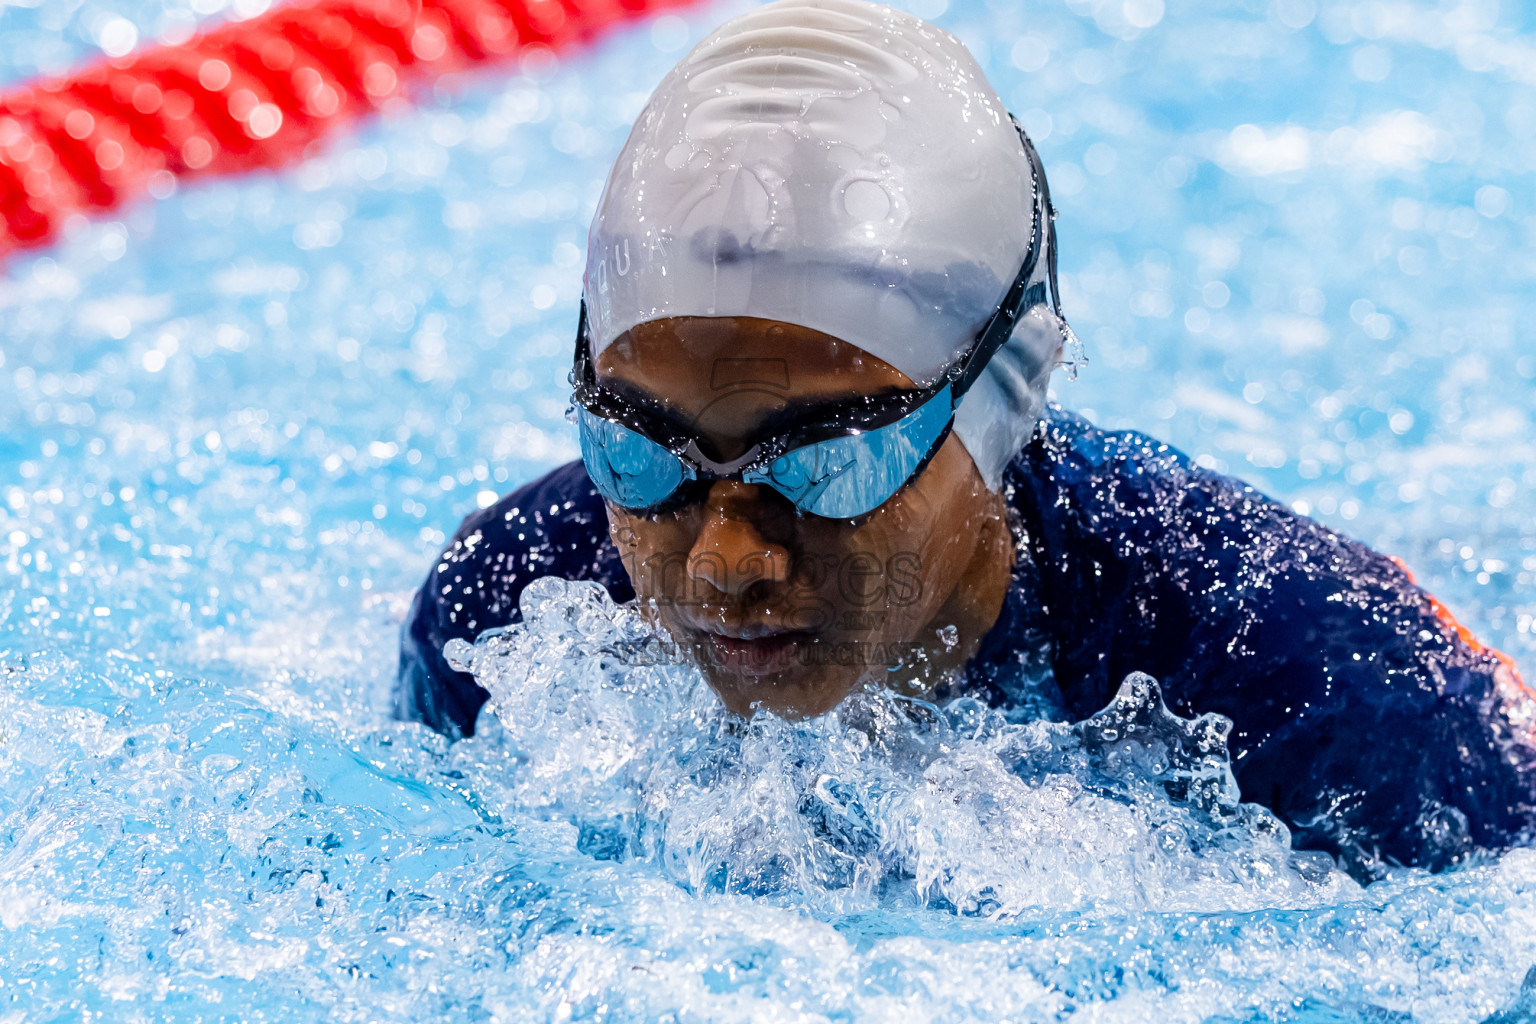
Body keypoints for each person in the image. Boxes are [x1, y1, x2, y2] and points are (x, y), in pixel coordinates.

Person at [396, 0, 1536, 874]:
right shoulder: (501, 619)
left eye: (826, 461)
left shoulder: (1324, 679)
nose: (722, 562)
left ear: (1005, 396)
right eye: (638, 451)